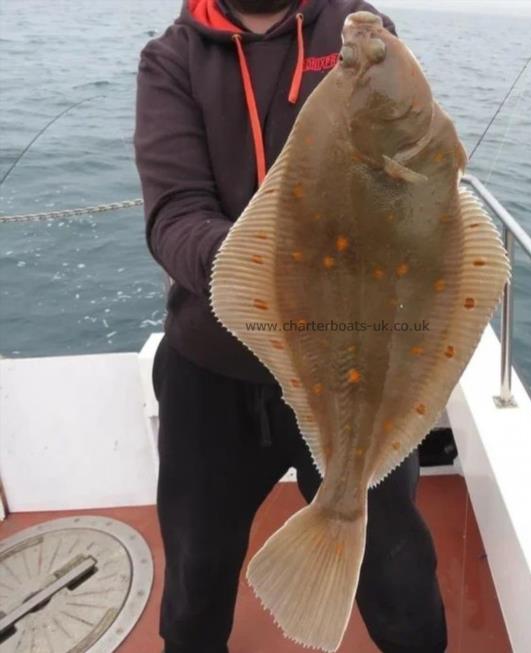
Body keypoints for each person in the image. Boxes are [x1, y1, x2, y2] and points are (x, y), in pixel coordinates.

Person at [134, 1, 448, 652]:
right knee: (195, 576)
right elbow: (174, 215)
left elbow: (412, 170)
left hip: (357, 359)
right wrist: (274, 269)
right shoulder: (172, 60)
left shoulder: (354, 29)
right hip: (215, 367)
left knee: (401, 576)